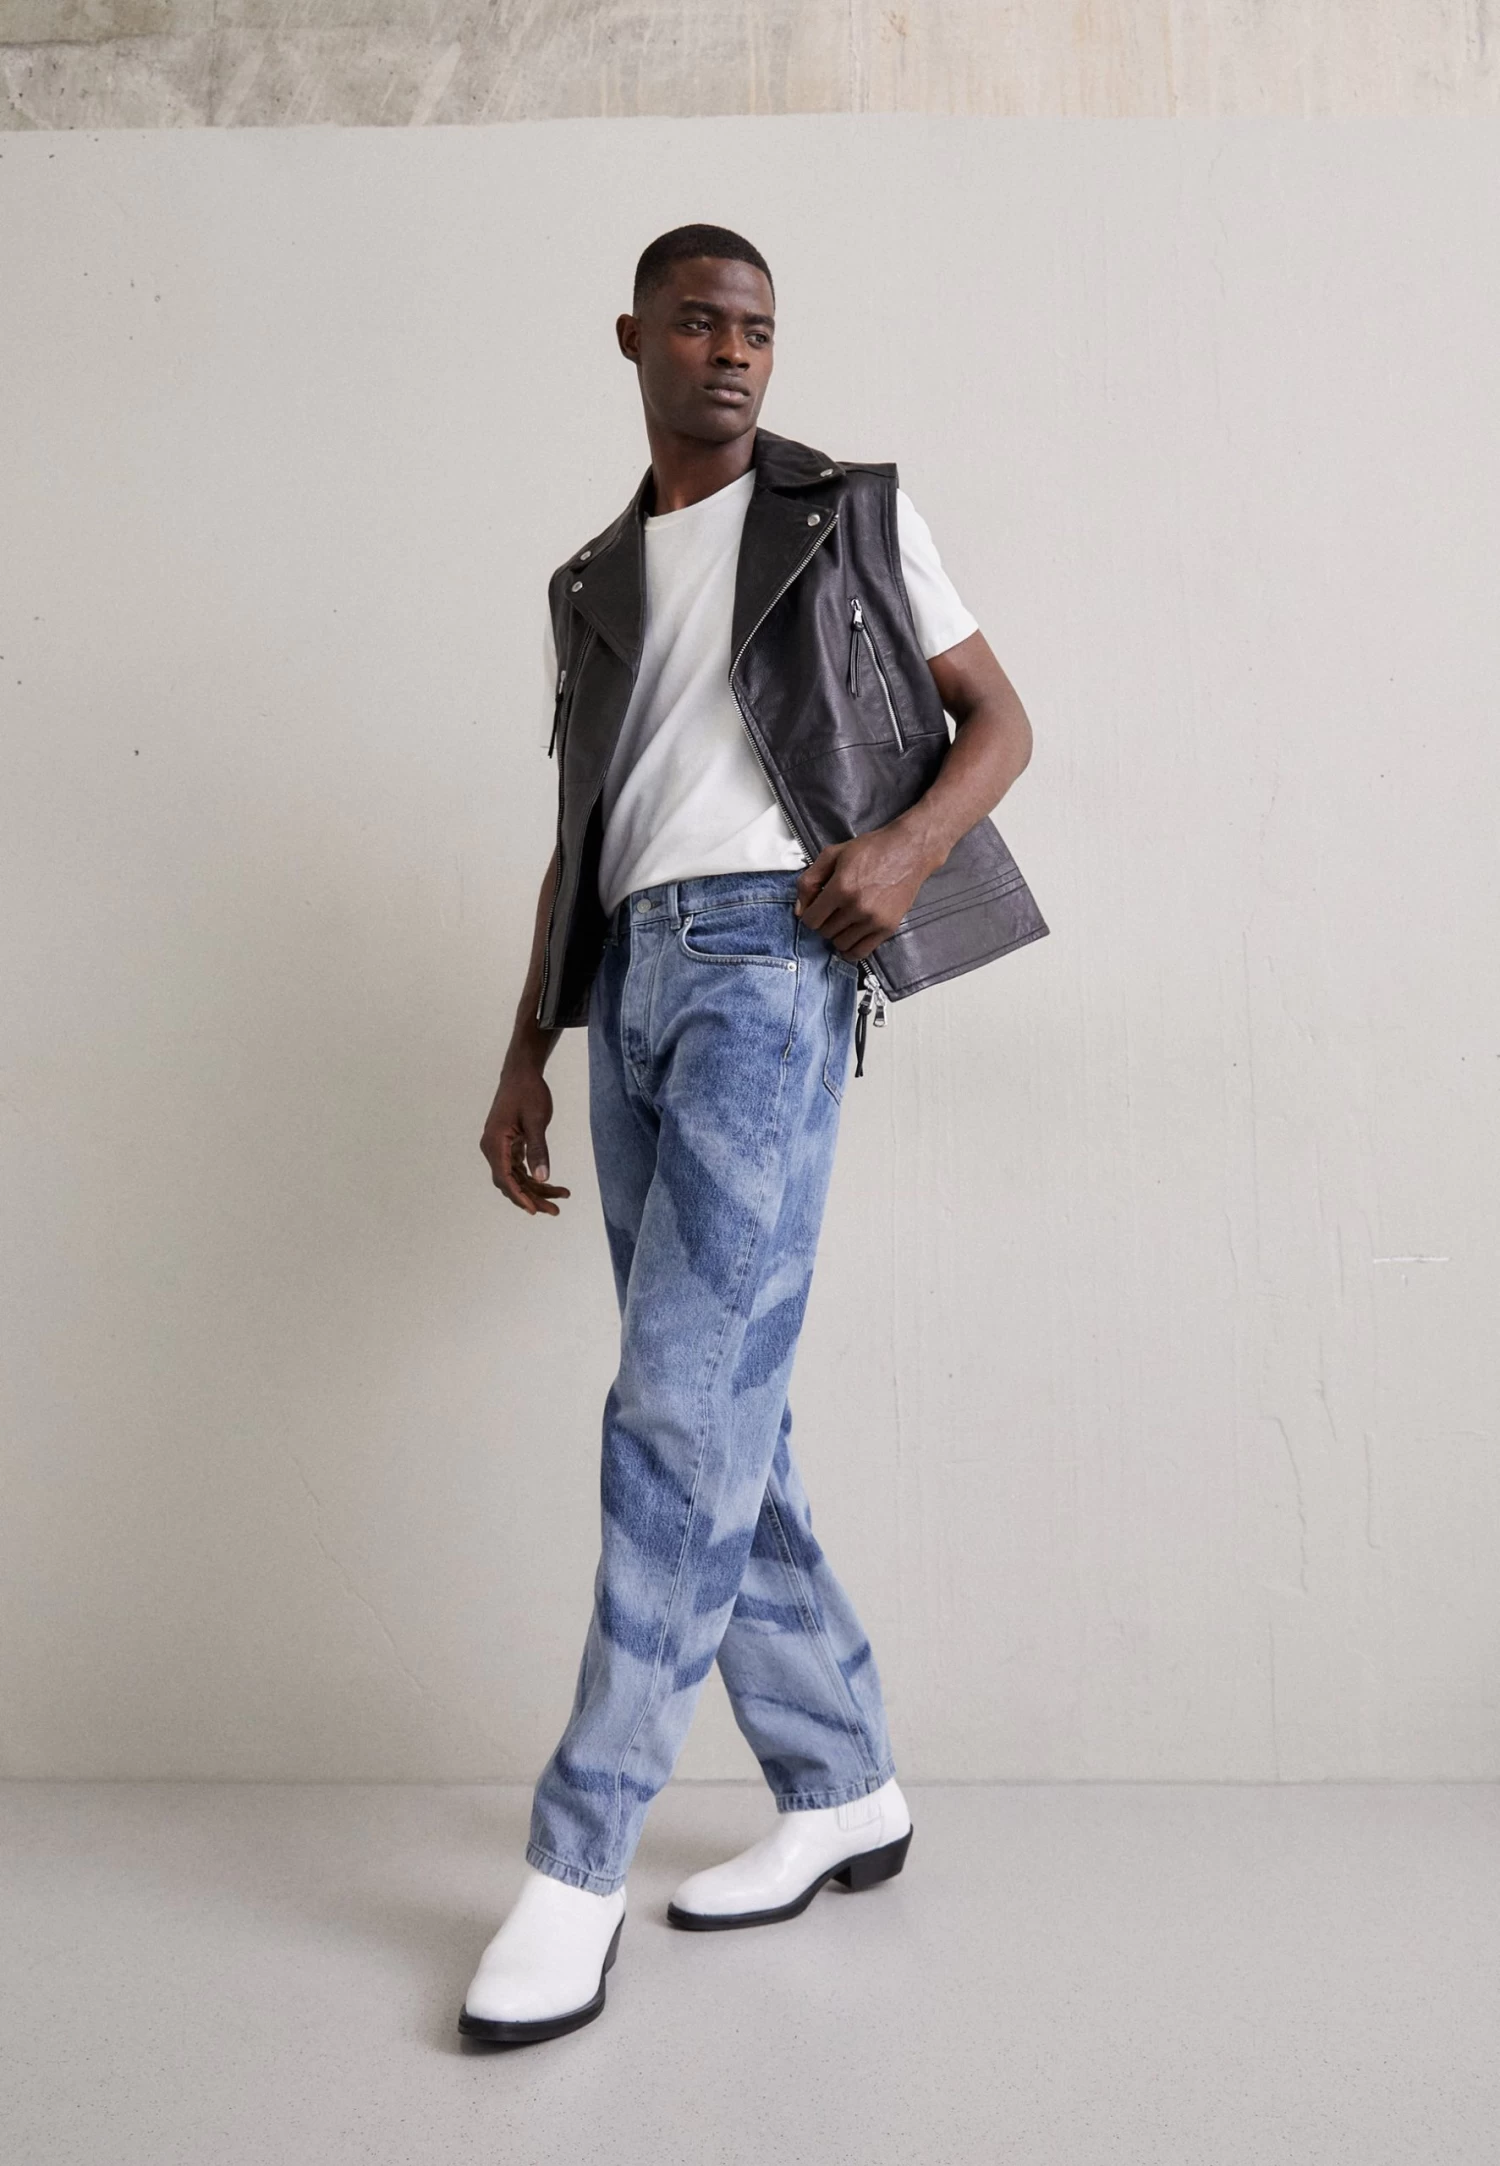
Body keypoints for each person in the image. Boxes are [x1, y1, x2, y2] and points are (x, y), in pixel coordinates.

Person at [460, 224, 1046, 2045]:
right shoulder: (589, 581)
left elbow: (1000, 720)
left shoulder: (851, 512)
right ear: (633, 336)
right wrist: (525, 1041)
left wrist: (907, 851)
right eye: (702, 323)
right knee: (722, 1413)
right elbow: (584, 825)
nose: (734, 352)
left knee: (675, 1408)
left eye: (760, 330)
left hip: (771, 965)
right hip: (631, 975)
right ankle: (840, 1780)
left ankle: (579, 1859)